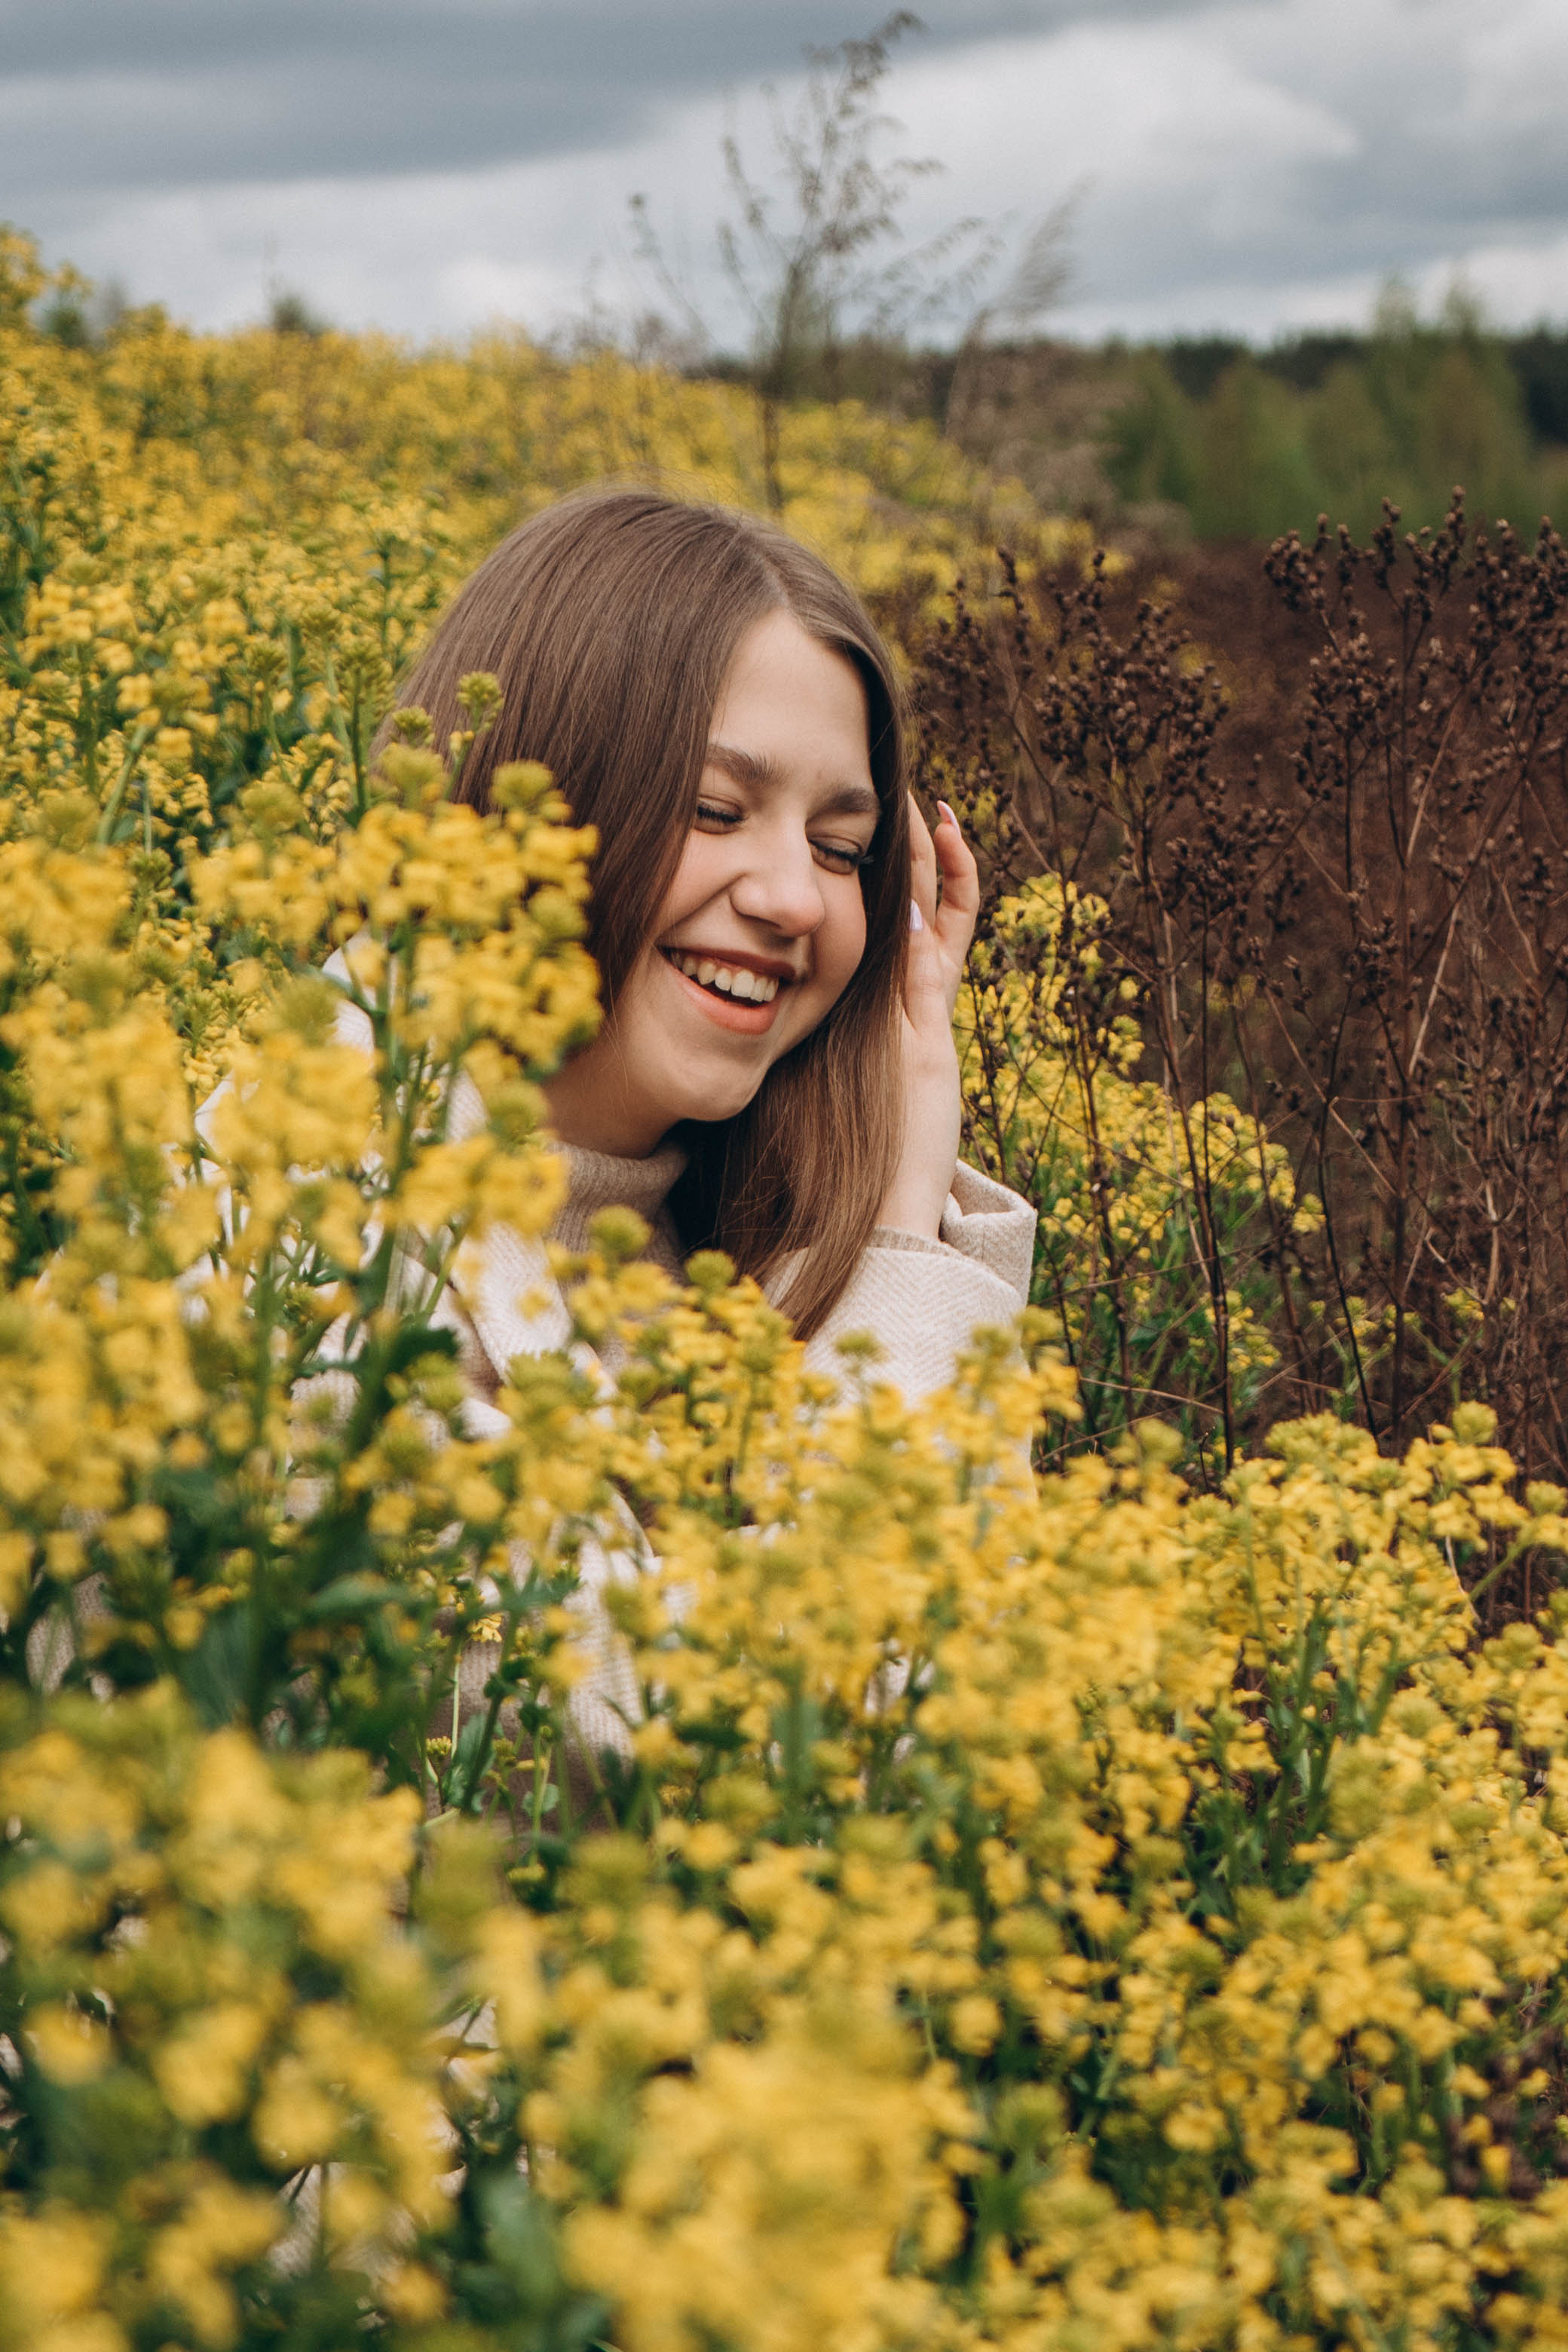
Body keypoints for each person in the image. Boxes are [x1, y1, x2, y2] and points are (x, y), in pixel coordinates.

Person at [329, 487, 1036, 1425]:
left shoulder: (719, 1236)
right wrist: (899, 1254)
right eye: (713, 809)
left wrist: (898, 1215)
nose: (793, 900)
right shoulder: (318, 1259)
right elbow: (831, 1572)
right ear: (528, 791)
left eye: (841, 851)